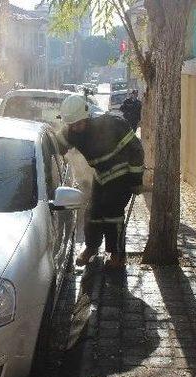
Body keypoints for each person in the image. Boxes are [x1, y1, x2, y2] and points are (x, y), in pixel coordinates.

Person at [59, 94, 145, 269]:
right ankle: (91, 248)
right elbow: (56, 144)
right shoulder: (72, 132)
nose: (76, 128)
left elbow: (137, 150)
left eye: (78, 123)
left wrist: (136, 180)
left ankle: (117, 255)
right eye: (72, 125)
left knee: (113, 215)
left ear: (86, 116)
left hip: (123, 175)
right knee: (93, 212)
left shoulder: (113, 124)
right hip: (102, 176)